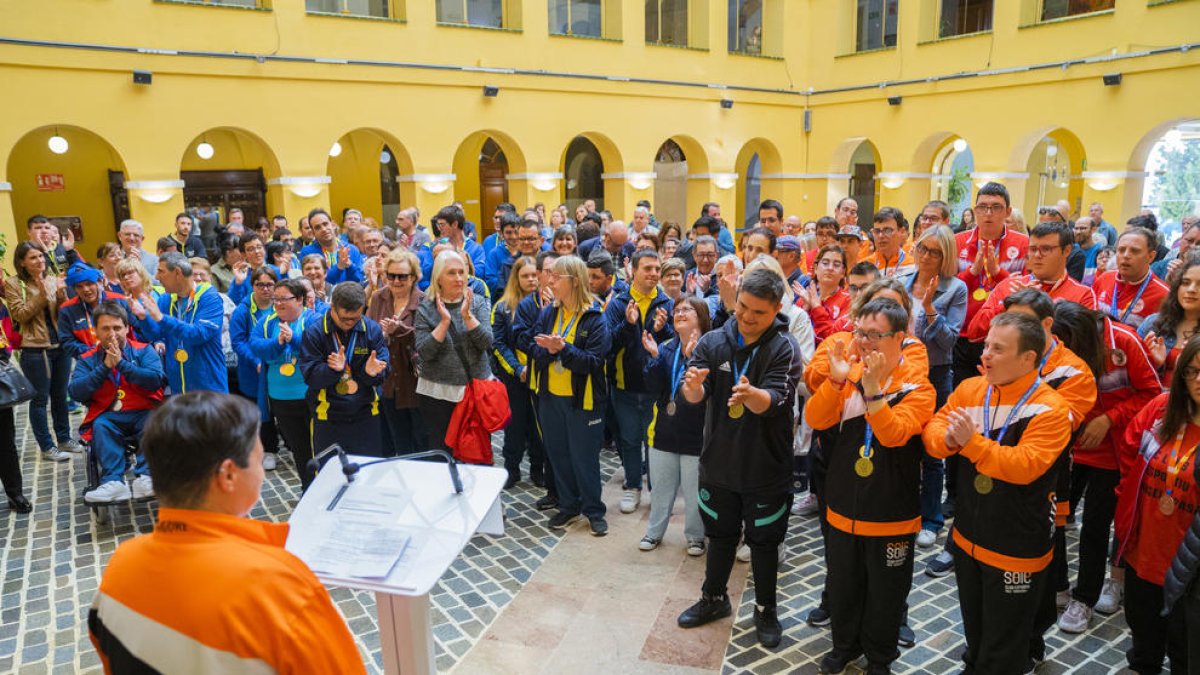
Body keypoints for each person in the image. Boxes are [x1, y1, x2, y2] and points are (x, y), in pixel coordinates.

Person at [87, 391, 365, 673]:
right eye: (257, 461)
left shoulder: (119, 568)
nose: (262, 473)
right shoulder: (280, 587)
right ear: (229, 475)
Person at [924, 312, 1073, 674]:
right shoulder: (973, 389)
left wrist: (971, 444)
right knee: (975, 625)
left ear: (1028, 359)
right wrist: (946, 441)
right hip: (969, 536)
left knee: (1005, 638)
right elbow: (936, 426)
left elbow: (1024, 466)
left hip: (1016, 545)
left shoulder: (1052, 409)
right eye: (987, 345)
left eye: (998, 349)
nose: (985, 354)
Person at [806, 297, 935, 673]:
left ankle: (880, 656)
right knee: (843, 584)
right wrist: (834, 380)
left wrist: (874, 389)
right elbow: (815, 417)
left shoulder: (917, 387)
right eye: (860, 332)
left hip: (891, 510)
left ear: (901, 337)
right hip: (844, 502)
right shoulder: (849, 377)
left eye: (874, 335)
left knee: (887, 592)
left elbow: (894, 435)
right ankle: (844, 645)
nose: (864, 342)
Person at [676, 269, 802, 649]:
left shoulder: (785, 347)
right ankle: (714, 599)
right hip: (719, 463)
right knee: (720, 536)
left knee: (764, 543)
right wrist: (694, 388)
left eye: (758, 313)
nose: (747, 317)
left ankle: (765, 610)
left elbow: (777, 400)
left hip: (767, 466)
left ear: (776, 309)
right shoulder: (715, 341)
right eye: (742, 307)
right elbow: (695, 397)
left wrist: (753, 395)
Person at [1060, 302, 1162, 633]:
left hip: (1114, 453)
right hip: (1072, 446)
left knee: (1095, 527)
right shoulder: (1059, 344)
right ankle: (1058, 585)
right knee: (1056, 519)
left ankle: (1085, 598)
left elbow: (1152, 394)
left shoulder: (1125, 342)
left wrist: (1108, 419)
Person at [1112, 340, 1200, 673]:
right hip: (1143, 552)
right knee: (1143, 635)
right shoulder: (1162, 409)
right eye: (1192, 371)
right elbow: (1129, 452)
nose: (1199, 380)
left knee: (1185, 649)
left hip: (1188, 571)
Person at [526, 255, 610, 535]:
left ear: (573, 281)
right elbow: (534, 348)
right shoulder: (550, 312)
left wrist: (562, 349)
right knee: (558, 455)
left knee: (584, 458)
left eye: (556, 277)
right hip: (550, 397)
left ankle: (594, 511)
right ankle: (568, 506)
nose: (550, 281)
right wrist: (549, 350)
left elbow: (593, 362)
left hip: (583, 401)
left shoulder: (594, 316)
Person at [899, 226, 968, 547]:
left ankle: (931, 518)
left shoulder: (956, 289)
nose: (925, 256)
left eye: (934, 252)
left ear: (946, 256)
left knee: (931, 450)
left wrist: (928, 309)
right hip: (900, 372)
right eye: (922, 248)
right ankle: (902, 511)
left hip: (935, 374)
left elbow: (950, 340)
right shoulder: (901, 281)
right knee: (900, 444)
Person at [71, 302, 165, 503]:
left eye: (117, 328)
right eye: (105, 328)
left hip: (144, 411)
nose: (112, 333)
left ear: (127, 328)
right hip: (109, 416)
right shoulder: (87, 358)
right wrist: (104, 367)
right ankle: (113, 482)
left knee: (153, 421)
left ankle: (146, 477)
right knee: (101, 425)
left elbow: (156, 380)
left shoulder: (143, 350)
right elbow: (76, 391)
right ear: (95, 331)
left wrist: (121, 364)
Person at [638, 297, 711, 555]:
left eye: (686, 310)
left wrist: (692, 358)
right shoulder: (668, 347)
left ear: (701, 317)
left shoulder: (709, 348)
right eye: (676, 310)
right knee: (661, 489)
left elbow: (706, 391)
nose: (679, 313)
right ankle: (654, 532)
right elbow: (652, 385)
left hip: (696, 434)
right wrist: (655, 356)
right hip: (664, 430)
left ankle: (694, 537)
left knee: (694, 494)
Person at [605, 249, 675, 514]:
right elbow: (608, 344)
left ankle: (657, 491)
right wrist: (627, 324)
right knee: (629, 440)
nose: (654, 274)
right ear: (633, 270)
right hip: (624, 385)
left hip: (655, 388)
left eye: (657, 269)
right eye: (648, 269)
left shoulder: (666, 303)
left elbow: (674, 345)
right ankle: (632, 486)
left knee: (654, 442)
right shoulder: (618, 303)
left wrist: (663, 330)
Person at [413, 250, 493, 453]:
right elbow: (425, 352)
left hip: (474, 389)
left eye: (461, 272)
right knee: (442, 449)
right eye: (451, 273)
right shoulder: (426, 307)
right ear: (438, 277)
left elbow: (486, 343)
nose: (458, 278)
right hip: (438, 392)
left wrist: (467, 317)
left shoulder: (477, 302)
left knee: (476, 449)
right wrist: (444, 322)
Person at [5, 241, 78, 461]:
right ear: (22, 262)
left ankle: (64, 439)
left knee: (60, 396)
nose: (40, 261)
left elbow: (63, 312)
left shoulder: (52, 279)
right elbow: (21, 314)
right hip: (35, 350)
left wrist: (63, 296)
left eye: (41, 256)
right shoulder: (14, 284)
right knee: (39, 399)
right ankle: (47, 446)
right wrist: (43, 295)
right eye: (33, 257)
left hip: (59, 346)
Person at [299, 281, 389, 458]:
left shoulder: (371, 329)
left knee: (367, 473)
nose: (349, 323)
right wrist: (333, 370)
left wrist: (370, 373)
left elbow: (385, 370)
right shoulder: (315, 332)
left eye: (355, 319)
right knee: (329, 474)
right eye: (344, 319)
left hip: (366, 414)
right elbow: (309, 375)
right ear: (332, 307)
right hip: (328, 416)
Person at [966, 221, 1097, 339]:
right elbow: (974, 333)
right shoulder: (1009, 286)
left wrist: (1035, 309)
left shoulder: (1083, 295)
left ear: (1067, 250)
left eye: (1046, 249)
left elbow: (1084, 346)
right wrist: (1009, 305)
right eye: (1033, 249)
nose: (1037, 255)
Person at [251, 279, 319, 490]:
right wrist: (278, 342)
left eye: (284, 299)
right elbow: (256, 347)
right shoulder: (266, 322)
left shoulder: (314, 319)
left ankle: (324, 490)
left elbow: (319, 348)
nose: (278, 304)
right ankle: (307, 490)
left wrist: (295, 339)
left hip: (310, 394)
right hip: (281, 397)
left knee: (318, 446)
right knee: (299, 449)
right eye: (276, 299)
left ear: (300, 300)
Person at [130, 253, 227, 394]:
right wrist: (144, 318)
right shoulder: (166, 299)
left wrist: (162, 319)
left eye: (161, 271)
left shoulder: (210, 297)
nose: (156, 277)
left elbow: (198, 334)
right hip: (178, 386)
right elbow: (155, 335)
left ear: (177, 272)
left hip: (208, 386)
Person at [366, 250, 428, 458]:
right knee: (398, 441)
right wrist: (380, 334)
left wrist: (399, 330)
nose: (396, 281)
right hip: (388, 382)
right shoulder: (378, 298)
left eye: (402, 276)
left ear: (413, 277)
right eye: (391, 275)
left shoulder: (424, 301)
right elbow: (367, 330)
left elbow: (427, 339)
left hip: (416, 383)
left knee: (421, 441)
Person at [491, 256, 543, 487]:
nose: (531, 279)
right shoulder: (502, 308)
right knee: (515, 426)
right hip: (515, 378)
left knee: (538, 427)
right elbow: (498, 344)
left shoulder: (547, 304)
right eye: (525, 276)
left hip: (542, 376)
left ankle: (538, 469)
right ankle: (511, 470)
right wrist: (517, 368)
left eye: (534, 275)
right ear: (516, 278)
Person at [229, 266, 281, 470]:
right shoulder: (242, 310)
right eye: (260, 284)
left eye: (270, 284)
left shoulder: (280, 305)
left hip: (279, 366)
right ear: (253, 286)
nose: (265, 289)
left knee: (280, 405)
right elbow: (238, 342)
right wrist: (255, 360)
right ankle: (267, 449)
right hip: (253, 369)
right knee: (259, 410)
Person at [1094, 228, 1170, 331]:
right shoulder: (1104, 279)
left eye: (1134, 251)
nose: (1125, 256)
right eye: (1121, 250)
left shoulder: (1164, 295)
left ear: (1151, 256)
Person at [1140, 255, 1200, 385]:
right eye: (1185, 283)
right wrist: (1155, 364)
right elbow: (1131, 373)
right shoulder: (1153, 322)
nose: (1191, 290)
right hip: (1152, 401)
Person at [57, 262, 132, 360]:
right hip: (89, 362)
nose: (85, 289)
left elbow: (134, 332)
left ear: (99, 282)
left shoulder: (120, 301)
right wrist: (95, 352)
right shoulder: (66, 309)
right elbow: (67, 341)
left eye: (89, 284)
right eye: (79, 286)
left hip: (124, 358)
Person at [417, 206, 487, 290]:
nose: (439, 228)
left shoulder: (476, 249)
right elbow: (424, 277)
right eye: (438, 225)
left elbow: (479, 274)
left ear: (454, 224)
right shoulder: (435, 247)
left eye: (442, 225)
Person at [798, 245, 852, 343]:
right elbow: (793, 335)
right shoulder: (804, 298)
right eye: (825, 263)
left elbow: (834, 340)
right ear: (815, 268)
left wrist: (817, 308)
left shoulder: (848, 302)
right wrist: (804, 311)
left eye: (836, 265)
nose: (830, 268)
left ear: (843, 272)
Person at [299, 208, 365, 286]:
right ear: (313, 232)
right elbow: (316, 282)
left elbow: (359, 280)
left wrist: (350, 265)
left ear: (333, 225)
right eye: (317, 227)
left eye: (325, 224)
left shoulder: (351, 249)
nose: (323, 229)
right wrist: (339, 267)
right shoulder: (308, 252)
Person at [866, 207, 915, 278]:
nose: (881, 236)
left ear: (901, 232)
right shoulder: (865, 265)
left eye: (887, 230)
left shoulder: (912, 266)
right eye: (877, 231)